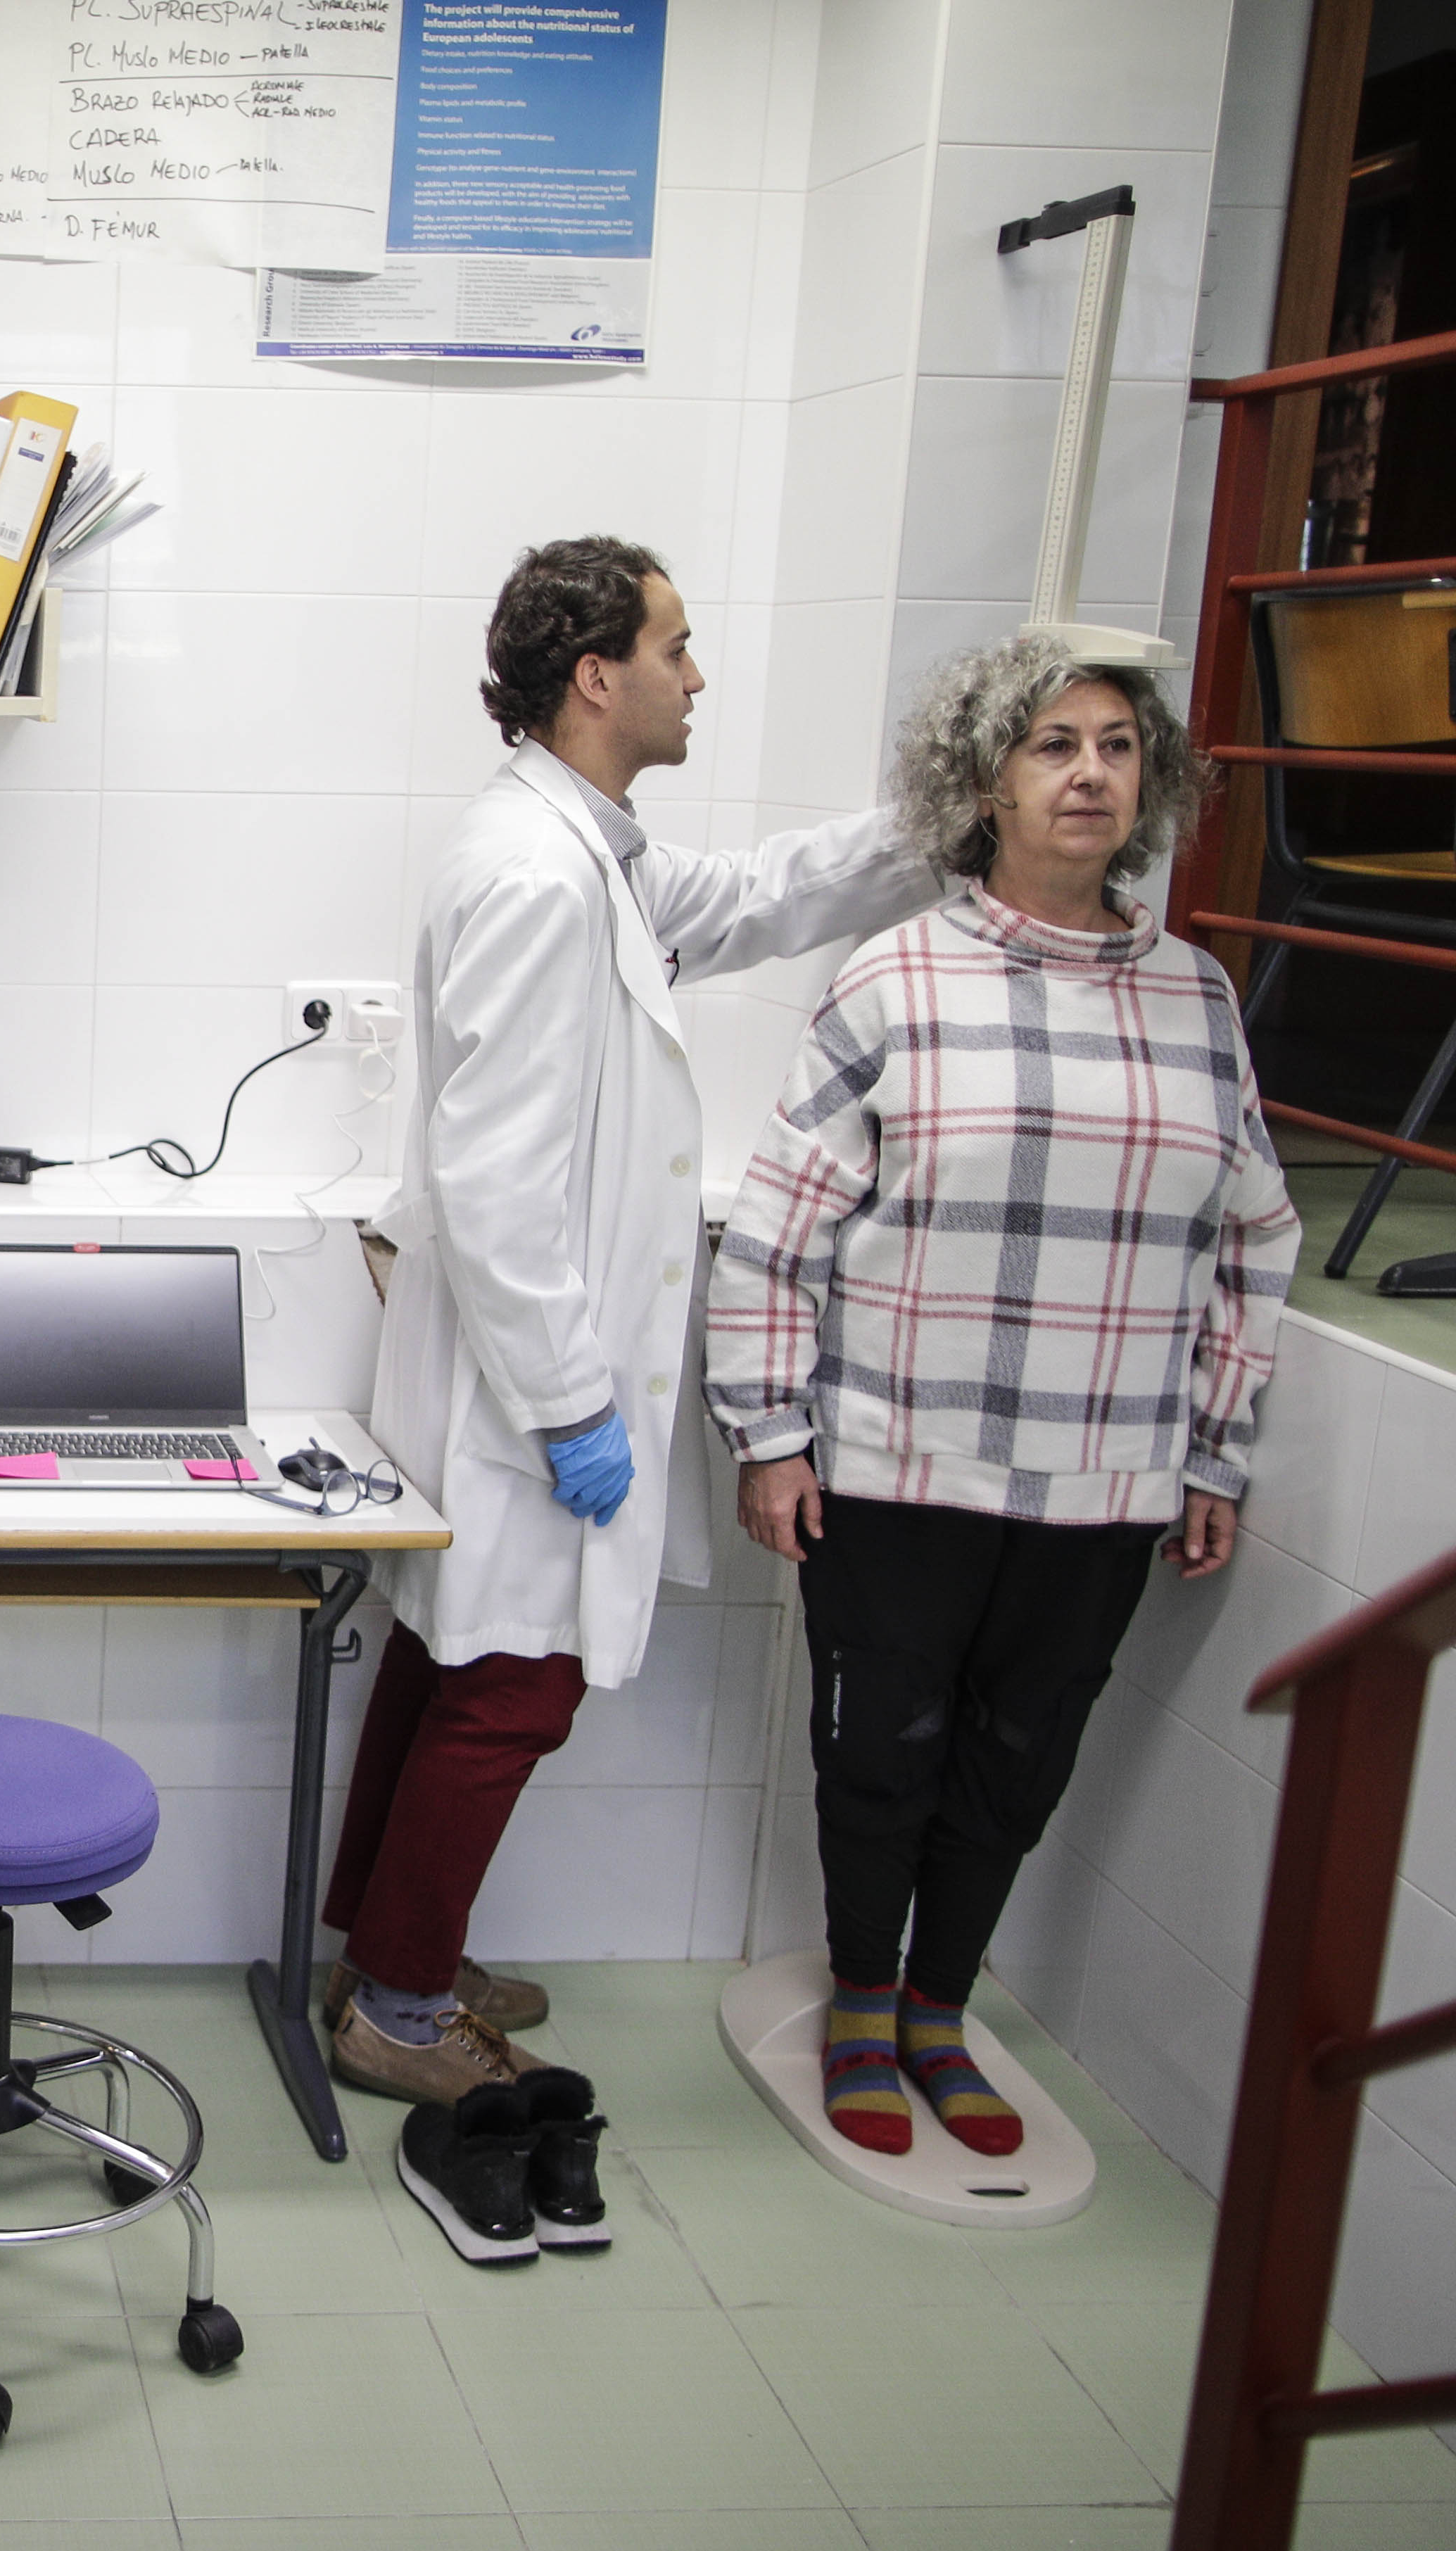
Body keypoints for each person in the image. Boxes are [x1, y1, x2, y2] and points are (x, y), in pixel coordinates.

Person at [325, 537, 939, 2108]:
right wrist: (573, 1407)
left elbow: (751, 897)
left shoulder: (584, 849)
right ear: (595, 674)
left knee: (451, 1658)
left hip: (507, 1372)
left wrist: (947, 815)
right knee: (510, 1684)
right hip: (526, 1384)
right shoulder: (539, 875)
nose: (698, 675)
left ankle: (383, 1947)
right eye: (677, 646)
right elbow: (497, 1173)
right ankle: (396, 2007)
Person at [704, 632, 1297, 2158]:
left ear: (1151, 783)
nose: (1091, 771)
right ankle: (855, 2003)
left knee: (1019, 1758)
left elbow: (1257, 1238)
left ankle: (940, 2014)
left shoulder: (1196, 999)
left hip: (1106, 1479)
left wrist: (1218, 1457)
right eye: (1053, 745)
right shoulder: (896, 978)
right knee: (880, 1751)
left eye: (1116, 745)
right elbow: (780, 1232)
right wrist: (772, 1437)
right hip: (901, 1463)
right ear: (986, 785)